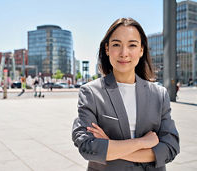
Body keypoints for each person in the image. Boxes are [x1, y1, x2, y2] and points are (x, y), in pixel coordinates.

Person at [72, 18, 179, 171]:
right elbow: (88, 146)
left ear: (141, 50)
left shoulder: (159, 94)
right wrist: (141, 142)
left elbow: (170, 147)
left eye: (132, 45)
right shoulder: (91, 93)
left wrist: (111, 145)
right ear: (107, 49)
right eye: (116, 45)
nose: (124, 53)